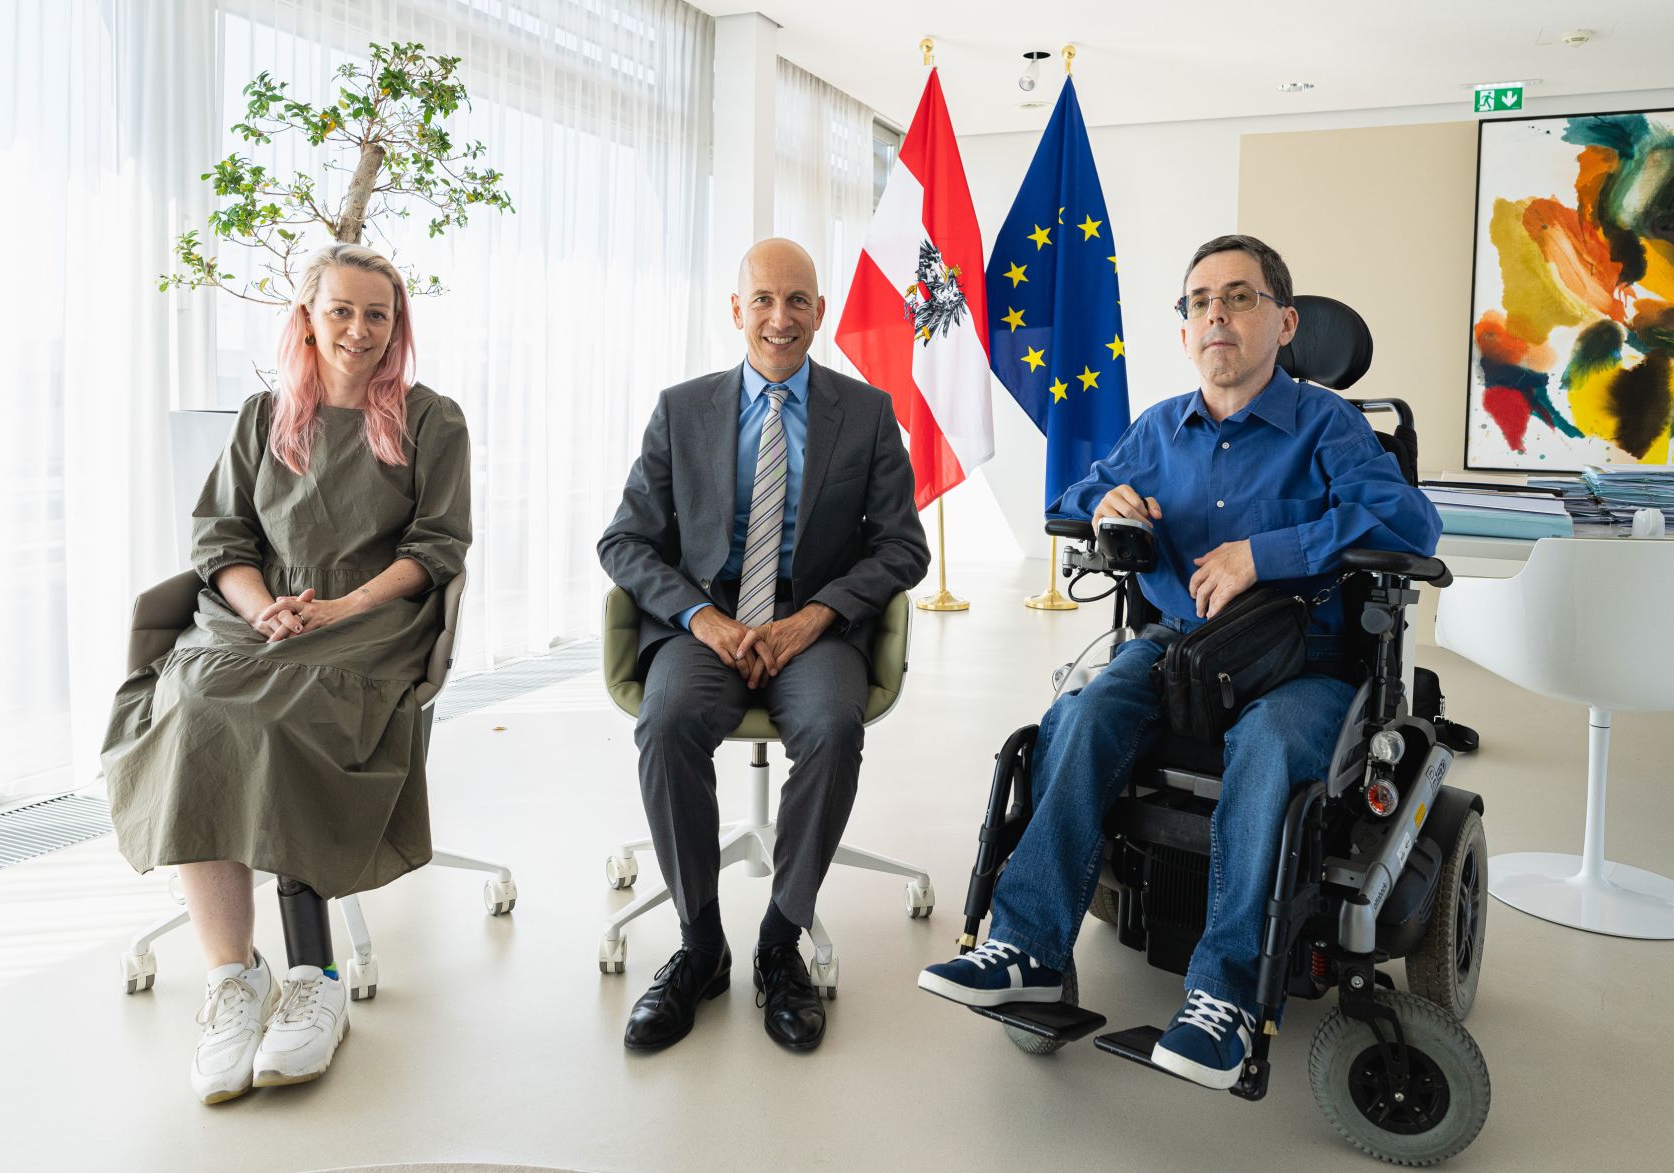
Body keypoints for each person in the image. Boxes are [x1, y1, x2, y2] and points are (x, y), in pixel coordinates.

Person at [919, 234, 1442, 1089]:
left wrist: (1263, 553)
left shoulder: (1330, 426)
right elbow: (1071, 499)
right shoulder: (1159, 428)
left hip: (1305, 661)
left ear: (1283, 320)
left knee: (1271, 749)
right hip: (1177, 646)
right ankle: (1026, 947)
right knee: (1080, 711)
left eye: (1237, 298)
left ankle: (1226, 999)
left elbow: (1411, 525)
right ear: (1186, 327)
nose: (1216, 316)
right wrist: (1106, 501)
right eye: (1199, 302)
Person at [102, 243, 472, 1104]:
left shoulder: (431, 419)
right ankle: (235, 979)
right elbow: (221, 539)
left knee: (287, 713)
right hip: (256, 611)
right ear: (307, 316)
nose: (359, 329)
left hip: (370, 619)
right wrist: (262, 602)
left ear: (397, 324)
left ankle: (316, 977)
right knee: (194, 702)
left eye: (377, 313)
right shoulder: (263, 416)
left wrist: (338, 611)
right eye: (341, 309)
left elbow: (436, 548)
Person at [598, 237, 929, 1053]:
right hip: (705, 622)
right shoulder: (682, 409)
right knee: (669, 719)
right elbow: (626, 541)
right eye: (765, 300)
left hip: (811, 624)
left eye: (799, 301)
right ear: (736, 310)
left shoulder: (869, 413)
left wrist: (814, 616)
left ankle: (781, 941)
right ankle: (700, 941)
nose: (781, 318)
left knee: (831, 725)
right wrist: (700, 619)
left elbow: (901, 547)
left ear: (822, 312)